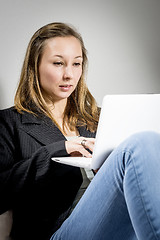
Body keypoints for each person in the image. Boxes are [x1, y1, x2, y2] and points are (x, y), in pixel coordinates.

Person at [0, 22, 160, 240]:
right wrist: (58, 151)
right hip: (55, 233)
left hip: (117, 227)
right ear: (34, 65)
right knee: (140, 144)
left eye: (76, 64)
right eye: (58, 63)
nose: (69, 75)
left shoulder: (101, 118)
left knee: (148, 142)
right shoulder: (9, 122)